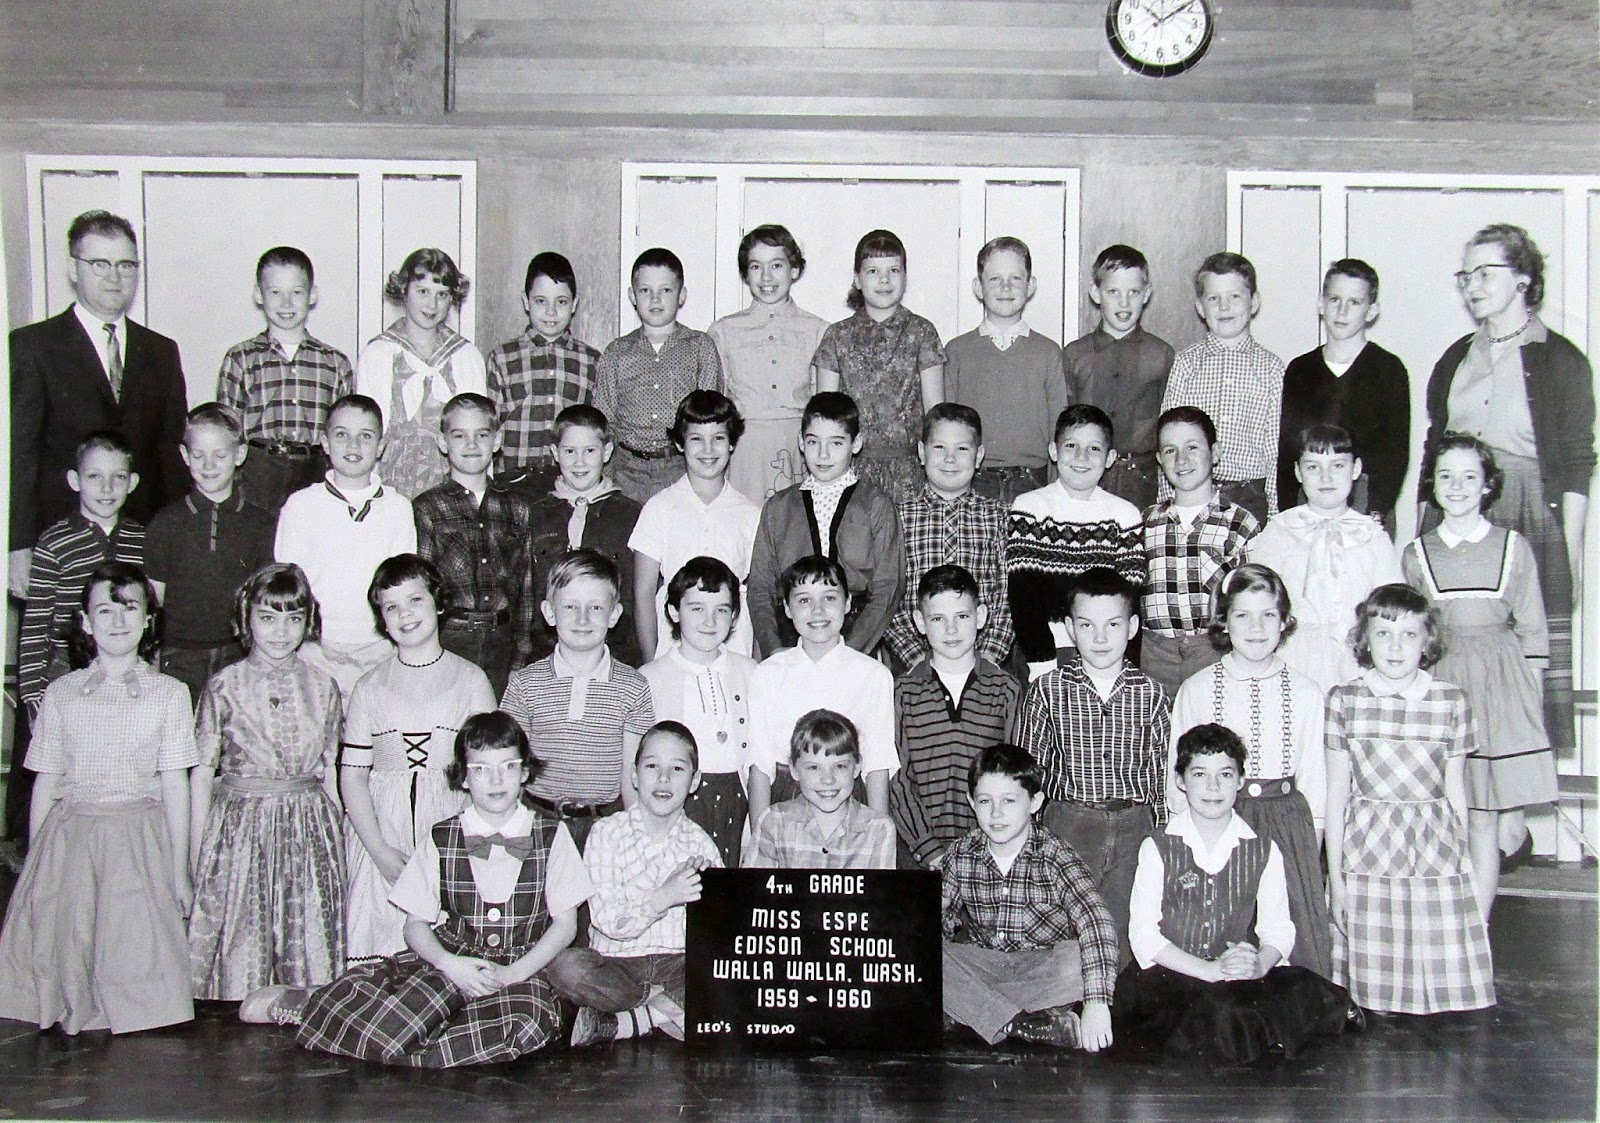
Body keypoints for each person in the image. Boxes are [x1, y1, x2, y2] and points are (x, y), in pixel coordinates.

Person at [241, 711, 590, 1068]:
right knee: (396, 1024)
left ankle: (397, 1037)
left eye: (508, 766)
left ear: (525, 772)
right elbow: (414, 926)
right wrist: (448, 964)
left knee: (523, 1024)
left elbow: (566, 926)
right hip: (453, 961)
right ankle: (313, 1004)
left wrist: (514, 973)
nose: (496, 779)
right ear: (463, 777)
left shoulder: (552, 835)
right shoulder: (442, 836)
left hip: (521, 968)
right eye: (481, 769)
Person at [0, 563, 197, 1034]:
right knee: (70, 932)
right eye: (105, 610)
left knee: (131, 939)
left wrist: (180, 870)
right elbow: (46, 782)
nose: (118, 620)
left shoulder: (170, 694)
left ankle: (133, 1002)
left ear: (148, 619)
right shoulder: (61, 693)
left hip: (138, 839)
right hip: (72, 838)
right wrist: (35, 863)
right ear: (86, 622)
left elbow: (176, 784)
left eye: (130, 608)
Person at [1423, 223, 1593, 758]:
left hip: (1527, 513)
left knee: (1525, 667)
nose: (1472, 286)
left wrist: (1571, 553)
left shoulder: (1561, 359)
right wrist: (1424, 532)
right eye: (1465, 276)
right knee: (1448, 651)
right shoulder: (1454, 358)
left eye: (1484, 273)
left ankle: (1517, 804)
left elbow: (1576, 463)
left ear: (1522, 279)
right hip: (1453, 515)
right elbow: (1433, 451)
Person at [1114, 724, 1354, 1064]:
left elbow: (1278, 930)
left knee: (1298, 983)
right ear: (1180, 781)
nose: (1213, 787)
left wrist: (1258, 964)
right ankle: (1260, 1035)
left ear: (1240, 781)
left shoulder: (1262, 847)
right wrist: (1209, 971)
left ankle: (1273, 1026)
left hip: (1232, 972)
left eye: (1225, 775)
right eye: (1200, 774)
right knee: (1216, 1013)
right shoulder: (1158, 845)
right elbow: (1143, 938)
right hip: (1171, 973)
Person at [1404, 434, 1555, 916]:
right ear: (1432, 483)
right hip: (1442, 684)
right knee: (1440, 812)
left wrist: (1528, 710)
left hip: (1499, 690)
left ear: (1488, 485)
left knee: (1483, 818)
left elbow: (1533, 632)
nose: (1457, 486)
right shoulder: (1417, 553)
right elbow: (1409, 637)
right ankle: (1438, 921)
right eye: (1446, 476)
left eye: (1469, 476)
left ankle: (1477, 926)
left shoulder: (1514, 548)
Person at [1326, 584, 1495, 1015]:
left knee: (1434, 954)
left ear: (1428, 641)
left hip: (1433, 846)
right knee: (1374, 973)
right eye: (1383, 634)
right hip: (1367, 847)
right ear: (1365, 640)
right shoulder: (1345, 700)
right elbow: (1336, 796)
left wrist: (1464, 863)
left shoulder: (1450, 701)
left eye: (1409, 635)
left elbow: (1456, 791)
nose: (1395, 647)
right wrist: (1336, 882)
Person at [9, 209, 186, 600]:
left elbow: (171, 455)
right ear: (74, 269)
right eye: (100, 264)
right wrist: (16, 545)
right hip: (60, 545)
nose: (114, 276)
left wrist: (178, 542)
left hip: (142, 544)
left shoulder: (161, 352)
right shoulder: (33, 346)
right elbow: (20, 454)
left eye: (125, 265)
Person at [188, 563, 346, 999]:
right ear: (247, 618)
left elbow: (330, 771)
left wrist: (336, 841)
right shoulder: (223, 686)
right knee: (243, 941)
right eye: (267, 617)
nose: (280, 631)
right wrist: (196, 852)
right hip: (242, 833)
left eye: (293, 618)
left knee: (307, 941)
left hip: (307, 831)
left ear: (308, 621)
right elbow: (201, 773)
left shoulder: (323, 686)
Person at [1167, 563, 1332, 978]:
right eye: (1242, 615)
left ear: (1284, 621)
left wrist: (1308, 856)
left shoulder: (1307, 692)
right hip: (1220, 822)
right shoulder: (1197, 689)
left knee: (1288, 945)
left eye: (1268, 615)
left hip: (1287, 828)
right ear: (1224, 621)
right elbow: (1179, 782)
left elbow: (1315, 781)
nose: (1256, 628)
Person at [341, 554, 498, 965]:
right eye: (391, 607)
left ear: (438, 602)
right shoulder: (369, 686)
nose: (405, 614)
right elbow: (353, 777)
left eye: (415, 600)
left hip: (450, 831)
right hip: (382, 833)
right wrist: (380, 851)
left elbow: (488, 773)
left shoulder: (471, 680)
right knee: (377, 949)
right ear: (381, 618)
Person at [1018, 566, 1170, 964]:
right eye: (1087, 625)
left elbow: (1159, 778)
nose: (1100, 638)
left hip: (1134, 827)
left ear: (1133, 627)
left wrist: (1161, 839)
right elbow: (1029, 776)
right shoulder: (1047, 691)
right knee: (1068, 940)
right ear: (1070, 628)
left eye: (1113, 625)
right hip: (1070, 826)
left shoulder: (1153, 695)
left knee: (1124, 938)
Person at [10, 431, 148, 848]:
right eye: (94, 477)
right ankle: (52, 853)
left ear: (132, 482)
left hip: (123, 672)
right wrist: (33, 695)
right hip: (66, 670)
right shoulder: (54, 542)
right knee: (64, 775)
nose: (106, 488)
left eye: (117, 477)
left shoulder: (143, 539)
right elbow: (35, 623)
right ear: (74, 481)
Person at [550, 721, 721, 1045]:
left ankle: (631, 1022)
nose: (663, 778)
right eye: (652, 766)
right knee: (565, 968)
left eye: (677, 768)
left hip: (678, 963)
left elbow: (716, 931)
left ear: (695, 780)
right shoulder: (606, 833)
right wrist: (663, 897)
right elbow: (607, 920)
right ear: (634, 775)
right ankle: (665, 1007)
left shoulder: (701, 845)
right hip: (617, 965)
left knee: (724, 979)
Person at [940, 743, 1117, 1051]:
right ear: (971, 802)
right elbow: (937, 922)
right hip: (985, 963)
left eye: (1009, 801)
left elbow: (1095, 920)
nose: (996, 814)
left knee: (1077, 962)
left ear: (1034, 802)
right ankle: (1022, 1023)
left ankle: (973, 1012)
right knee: (927, 958)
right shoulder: (960, 853)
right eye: (985, 801)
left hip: (1041, 967)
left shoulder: (1055, 854)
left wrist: (1097, 1003)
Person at [500, 549, 655, 848]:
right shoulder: (525, 684)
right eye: (570, 606)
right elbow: (510, 764)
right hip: (537, 823)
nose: (582, 618)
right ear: (549, 612)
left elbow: (632, 776)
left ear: (614, 615)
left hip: (606, 828)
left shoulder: (633, 687)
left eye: (595, 607)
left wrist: (636, 838)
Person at [274, 393, 418, 700]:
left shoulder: (398, 508)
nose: (353, 446)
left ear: (381, 446)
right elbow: (288, 585)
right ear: (325, 443)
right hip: (314, 650)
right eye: (342, 435)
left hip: (379, 648)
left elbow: (402, 588)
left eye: (365, 436)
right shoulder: (300, 505)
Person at [746, 391, 905, 656]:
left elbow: (888, 588)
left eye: (836, 443)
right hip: (790, 643)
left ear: (856, 444)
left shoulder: (876, 505)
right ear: (801, 442)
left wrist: (849, 653)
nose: (823, 454)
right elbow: (760, 589)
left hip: (857, 641)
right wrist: (774, 650)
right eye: (813, 442)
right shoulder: (778, 507)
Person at [1247, 423, 1402, 693]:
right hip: (1292, 655)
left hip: (1354, 659)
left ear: (1356, 469)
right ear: (1298, 472)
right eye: (1313, 467)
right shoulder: (1279, 530)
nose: (1325, 477)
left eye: (1337, 466)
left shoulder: (1372, 536)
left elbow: (1391, 608)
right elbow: (1257, 598)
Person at [746, 557, 898, 826]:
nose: (818, 610)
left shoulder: (873, 675)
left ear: (847, 603)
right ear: (787, 608)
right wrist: (761, 835)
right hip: (785, 803)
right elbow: (759, 765)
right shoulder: (767, 674)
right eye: (804, 600)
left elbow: (877, 765)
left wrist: (879, 834)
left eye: (829, 598)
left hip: (851, 803)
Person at [890, 565, 1020, 870]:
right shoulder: (903, 692)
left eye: (962, 616)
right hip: (920, 856)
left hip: (987, 855)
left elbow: (1014, 776)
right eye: (938, 619)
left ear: (981, 616)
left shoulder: (1006, 689)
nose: (951, 629)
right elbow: (896, 779)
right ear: (920, 622)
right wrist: (929, 849)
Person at [145, 403, 276, 705]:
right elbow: (154, 605)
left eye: (220, 455)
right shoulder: (165, 524)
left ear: (239, 455)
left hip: (240, 654)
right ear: (184, 455)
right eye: (198, 455)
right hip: (179, 657)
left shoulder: (261, 524)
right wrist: (152, 662)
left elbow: (263, 599)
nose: (208, 465)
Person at [1008, 404, 1144, 680]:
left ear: (1110, 458)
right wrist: (1042, 662)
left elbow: (1129, 603)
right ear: (1054, 451)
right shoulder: (1030, 508)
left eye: (1094, 448)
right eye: (1071, 445)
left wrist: (1127, 668)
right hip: (1043, 652)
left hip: (1105, 652)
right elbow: (1023, 596)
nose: (1082, 456)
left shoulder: (1125, 516)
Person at [413, 393, 537, 696]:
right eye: (459, 436)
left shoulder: (517, 507)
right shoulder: (427, 507)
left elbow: (525, 587)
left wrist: (520, 655)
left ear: (496, 441)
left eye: (481, 435)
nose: (471, 445)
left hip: (501, 641)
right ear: (443, 443)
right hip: (449, 639)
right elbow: (422, 589)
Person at [638, 557, 757, 868]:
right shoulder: (651, 678)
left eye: (721, 610)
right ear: (674, 611)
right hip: (678, 804)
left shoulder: (751, 672)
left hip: (737, 803)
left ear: (734, 616)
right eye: (697, 609)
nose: (710, 621)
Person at [217, 246, 354, 514]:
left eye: (296, 292)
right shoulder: (240, 358)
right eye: (275, 292)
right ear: (259, 295)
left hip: (314, 472)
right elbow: (226, 433)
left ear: (312, 295)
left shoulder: (335, 363)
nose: (286, 303)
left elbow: (343, 433)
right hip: (258, 472)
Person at [812, 229, 945, 504]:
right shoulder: (837, 336)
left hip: (910, 474)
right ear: (857, 279)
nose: (884, 280)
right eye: (873, 271)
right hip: (849, 472)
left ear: (905, 277)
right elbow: (825, 415)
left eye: (893, 270)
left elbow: (935, 414)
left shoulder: (922, 332)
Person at [1276, 259, 1409, 529]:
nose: (1342, 310)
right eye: (1335, 299)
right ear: (1321, 304)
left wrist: (1376, 511)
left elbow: (1395, 452)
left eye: (1354, 302)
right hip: (1308, 502)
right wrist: (1289, 512)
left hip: (1366, 505)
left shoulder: (1389, 369)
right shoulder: (1300, 369)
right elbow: (1288, 451)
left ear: (1371, 311)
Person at [630, 390, 761, 659]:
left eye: (718, 438)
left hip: (733, 650)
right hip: (672, 651)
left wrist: (756, 666)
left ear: (732, 443)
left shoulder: (750, 514)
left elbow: (760, 596)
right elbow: (643, 594)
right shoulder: (659, 508)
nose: (708, 449)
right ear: (680, 444)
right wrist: (651, 664)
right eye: (696, 439)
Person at [884, 403, 1013, 676]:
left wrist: (987, 659)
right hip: (914, 664)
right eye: (939, 448)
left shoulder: (1001, 517)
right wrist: (918, 661)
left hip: (985, 663)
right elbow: (888, 597)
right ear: (922, 453)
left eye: (962, 449)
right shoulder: (897, 518)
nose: (950, 459)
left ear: (979, 456)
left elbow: (1007, 595)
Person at [1140, 406, 1260, 697]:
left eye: (1192, 447)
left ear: (1214, 453)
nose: (1181, 459)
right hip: (1154, 654)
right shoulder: (1144, 522)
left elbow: (1252, 597)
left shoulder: (1240, 523)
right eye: (1170, 450)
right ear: (1159, 460)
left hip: (1214, 650)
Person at [1157, 252, 1285, 524]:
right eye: (1214, 298)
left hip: (1249, 496)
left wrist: (1275, 516)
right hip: (1192, 492)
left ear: (1254, 302)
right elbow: (1169, 437)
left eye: (1234, 296)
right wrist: (1167, 503)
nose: (1224, 307)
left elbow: (1275, 451)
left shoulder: (1271, 368)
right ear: (1200, 307)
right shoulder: (1186, 363)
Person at [942, 236, 1067, 506]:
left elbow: (1059, 430)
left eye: (1015, 278)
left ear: (1030, 286)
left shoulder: (1048, 352)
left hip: (1033, 481)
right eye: (995, 279)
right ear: (978, 287)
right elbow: (946, 428)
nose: (1005, 287)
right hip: (973, 481)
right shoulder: (957, 351)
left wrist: (1057, 493)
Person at [355, 248, 488, 498]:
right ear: (403, 290)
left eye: (442, 294)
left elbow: (481, 436)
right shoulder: (379, 354)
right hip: (390, 490)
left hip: (452, 494)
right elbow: (365, 434)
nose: (432, 304)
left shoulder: (466, 356)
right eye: (423, 291)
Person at [708, 224, 828, 502]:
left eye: (776, 265)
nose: (766, 277)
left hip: (799, 449)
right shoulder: (723, 331)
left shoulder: (818, 330)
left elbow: (824, 406)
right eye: (755, 267)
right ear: (745, 274)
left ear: (794, 270)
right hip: (743, 452)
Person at [596, 247, 723, 503]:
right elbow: (604, 420)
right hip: (626, 473)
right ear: (632, 296)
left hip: (681, 470)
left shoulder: (700, 347)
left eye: (665, 290)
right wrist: (605, 481)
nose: (655, 299)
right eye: (645, 291)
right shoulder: (616, 352)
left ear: (681, 295)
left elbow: (710, 420)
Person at [523, 404, 643, 667]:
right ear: (555, 453)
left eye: (589, 451)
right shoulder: (535, 515)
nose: (579, 462)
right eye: (569, 451)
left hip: (614, 655)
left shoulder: (631, 515)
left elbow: (638, 596)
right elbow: (525, 593)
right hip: (547, 655)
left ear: (607, 452)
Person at [1063, 244, 1175, 510]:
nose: (1124, 303)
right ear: (1096, 293)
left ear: (1146, 294)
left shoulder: (1161, 355)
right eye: (1113, 292)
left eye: (1133, 292)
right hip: (1087, 476)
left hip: (1143, 481)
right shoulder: (1075, 354)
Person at [487, 251, 599, 495]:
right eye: (540, 301)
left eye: (561, 302)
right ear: (526, 301)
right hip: (513, 483)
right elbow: (490, 426)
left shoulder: (591, 360)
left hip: (571, 483)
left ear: (574, 304)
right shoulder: (502, 357)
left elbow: (599, 430)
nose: (551, 311)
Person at [743, 709, 896, 870]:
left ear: (857, 766)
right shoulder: (773, 822)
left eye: (840, 766)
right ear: (794, 769)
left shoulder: (879, 829)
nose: (828, 779)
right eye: (814, 767)